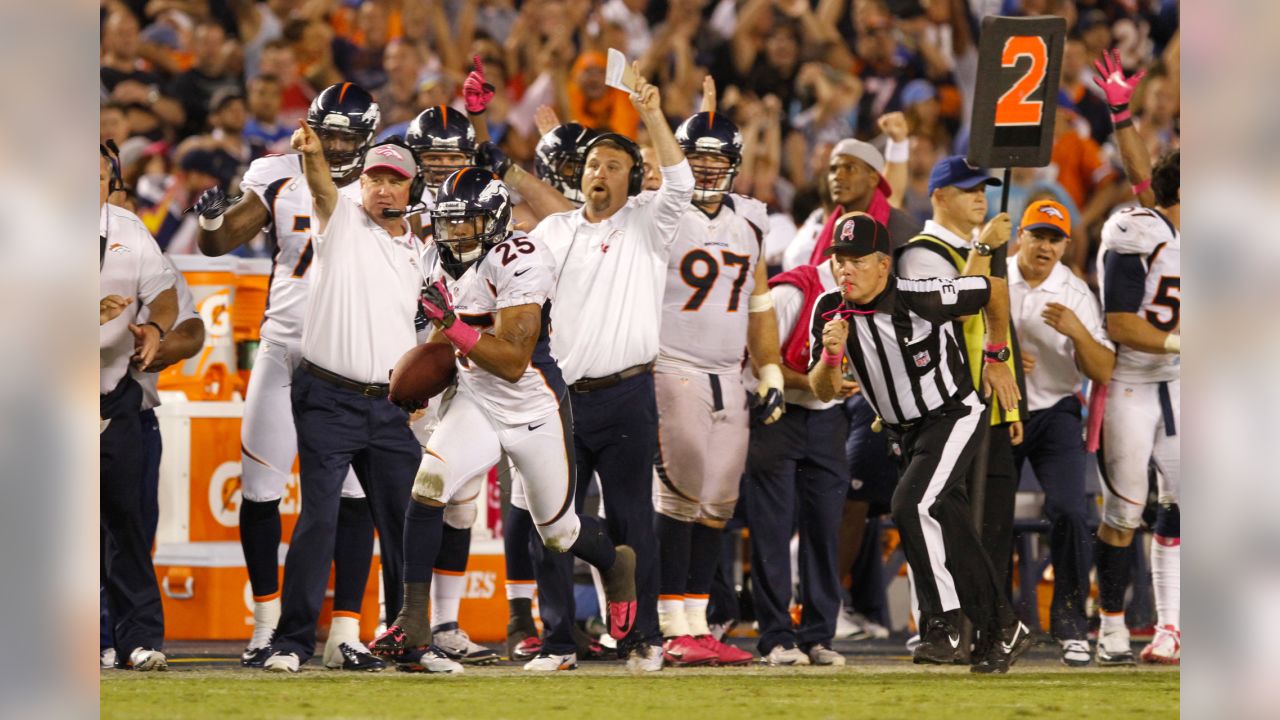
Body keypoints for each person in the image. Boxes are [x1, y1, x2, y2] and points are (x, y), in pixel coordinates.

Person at [369, 168, 638, 674]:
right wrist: (421, 385)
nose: (454, 233)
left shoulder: (522, 257)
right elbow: (439, 341)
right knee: (428, 487)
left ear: (493, 222)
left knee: (558, 531)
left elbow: (514, 360)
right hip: (475, 398)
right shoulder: (435, 256)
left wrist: (449, 325)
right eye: (447, 222)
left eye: (466, 222)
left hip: (532, 404)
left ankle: (615, 562)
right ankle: (413, 621)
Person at [193, 83, 387, 672]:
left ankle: (346, 631)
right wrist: (209, 220)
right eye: (329, 134)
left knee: (356, 499)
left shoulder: (385, 182)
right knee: (260, 489)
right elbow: (220, 241)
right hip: (287, 348)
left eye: (348, 138)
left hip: (355, 358)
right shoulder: (279, 172)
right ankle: (266, 623)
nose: (336, 146)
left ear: (368, 138)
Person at [809, 212, 1032, 674]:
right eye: (838, 260)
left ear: (884, 265)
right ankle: (1001, 627)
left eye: (855, 260)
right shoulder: (829, 309)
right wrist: (833, 355)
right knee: (952, 530)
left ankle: (941, 624)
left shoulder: (920, 295)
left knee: (910, 505)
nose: (843, 270)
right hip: (902, 433)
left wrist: (995, 357)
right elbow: (823, 391)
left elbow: (994, 289)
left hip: (953, 413)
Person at [529, 66, 694, 672]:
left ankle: (643, 638)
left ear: (633, 179)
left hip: (626, 396)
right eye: (594, 163)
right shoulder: (551, 231)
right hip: (560, 399)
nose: (600, 172)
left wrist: (650, 111)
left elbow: (679, 181)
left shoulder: (650, 223)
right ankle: (556, 641)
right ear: (580, 174)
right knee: (548, 520)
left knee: (633, 521)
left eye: (614, 165)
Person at [257, 127, 430, 674]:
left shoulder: (421, 252)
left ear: (411, 190)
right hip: (329, 395)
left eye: (393, 181)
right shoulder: (344, 222)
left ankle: (410, 640)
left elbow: (419, 329)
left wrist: (419, 391)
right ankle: (291, 640)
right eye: (374, 178)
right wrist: (311, 158)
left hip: (388, 405)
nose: (383, 190)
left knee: (405, 522)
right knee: (320, 518)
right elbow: (324, 192)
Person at [651, 111, 783, 667]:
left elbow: (759, 301)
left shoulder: (750, 220)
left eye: (716, 159)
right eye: (696, 157)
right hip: (672, 362)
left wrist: (771, 366)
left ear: (733, 166)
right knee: (680, 491)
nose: (706, 167)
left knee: (719, 502)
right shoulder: (658, 214)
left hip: (731, 372)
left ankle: (700, 623)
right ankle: (666, 623)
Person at [896, 156, 1025, 602]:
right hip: (942, 412)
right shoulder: (920, 254)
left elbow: (997, 325)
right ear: (938, 196)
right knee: (942, 525)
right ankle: (937, 624)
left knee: (992, 532)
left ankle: (990, 630)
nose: (979, 198)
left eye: (982, 190)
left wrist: (1011, 406)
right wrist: (985, 251)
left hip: (985, 407)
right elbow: (960, 307)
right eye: (968, 189)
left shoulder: (972, 249)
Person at [1091, 51, 1182, 666]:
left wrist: (1123, 113)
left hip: (1179, 385)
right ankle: (1112, 621)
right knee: (1123, 512)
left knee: (1183, 503)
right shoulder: (1139, 228)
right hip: (1131, 382)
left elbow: (1143, 169)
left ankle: (1171, 629)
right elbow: (1120, 324)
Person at [1007, 200, 1115, 666]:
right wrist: (1004, 356)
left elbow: (1104, 370)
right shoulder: (994, 276)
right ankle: (988, 622)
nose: (1045, 246)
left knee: (1071, 509)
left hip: (1055, 410)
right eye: (1037, 235)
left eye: (1054, 238)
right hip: (999, 408)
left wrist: (1079, 334)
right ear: (1020, 237)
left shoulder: (1074, 293)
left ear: (1066, 245)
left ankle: (1071, 622)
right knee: (984, 515)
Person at [100, 147, 178, 672]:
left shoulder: (128, 227)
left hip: (113, 395)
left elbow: (165, 291)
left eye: (96, 175)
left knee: (128, 526)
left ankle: (139, 639)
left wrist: (155, 327)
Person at [782, 136, 921, 270]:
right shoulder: (826, 228)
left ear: (873, 179)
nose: (838, 176)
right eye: (833, 169)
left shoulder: (903, 233)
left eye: (850, 168)